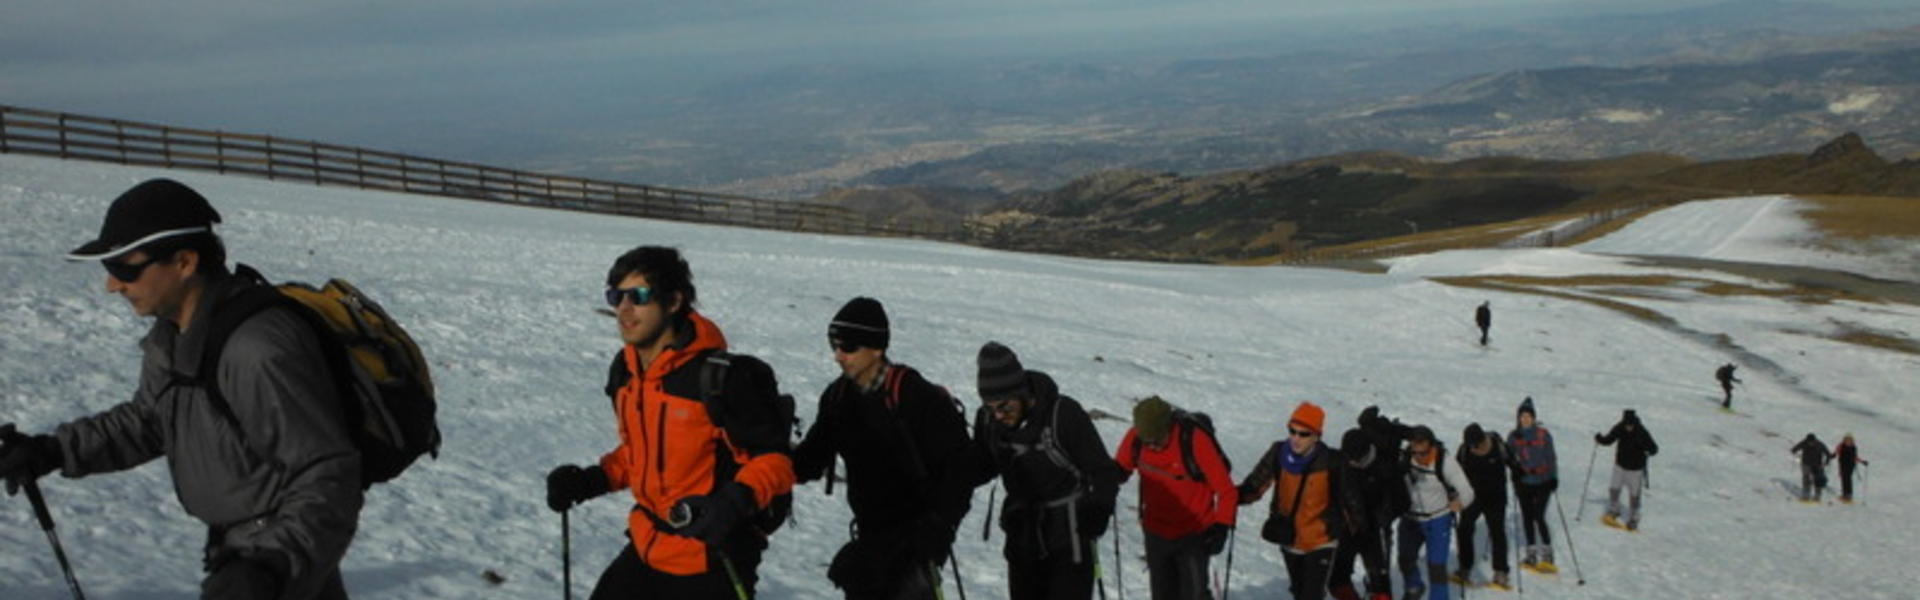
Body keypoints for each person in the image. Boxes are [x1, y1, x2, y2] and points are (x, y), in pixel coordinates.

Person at [0, 179, 361, 599]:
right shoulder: (176, 335)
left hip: (279, 572)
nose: (112, 286)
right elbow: (151, 420)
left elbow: (328, 473)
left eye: (125, 269)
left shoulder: (257, 348)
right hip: (240, 559)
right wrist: (53, 450)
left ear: (185, 262)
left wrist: (272, 567)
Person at [545, 246, 796, 599]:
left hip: (711, 558)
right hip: (647, 544)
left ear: (674, 301)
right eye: (616, 296)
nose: (624, 309)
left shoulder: (721, 378)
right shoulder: (627, 373)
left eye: (639, 296)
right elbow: (641, 454)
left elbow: (776, 461)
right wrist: (591, 480)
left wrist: (734, 501)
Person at [791, 297, 973, 599]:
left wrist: (939, 528)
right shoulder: (837, 398)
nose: (838, 355)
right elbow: (811, 459)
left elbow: (958, 471)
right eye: (833, 345)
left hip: (917, 542)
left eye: (848, 347)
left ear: (877, 347)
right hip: (869, 541)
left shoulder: (916, 396)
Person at [957, 342, 1122, 600]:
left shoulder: (1063, 414)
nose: (998, 415)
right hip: (1022, 536)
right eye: (990, 407)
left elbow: (1103, 471)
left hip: (1070, 539)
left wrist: (1097, 511)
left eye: (1005, 407)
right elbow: (983, 467)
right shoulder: (988, 420)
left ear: (1022, 394)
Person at [1115, 396, 1237, 600]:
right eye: (1147, 442)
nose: (1152, 446)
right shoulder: (1137, 438)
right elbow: (1119, 469)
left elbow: (1226, 491)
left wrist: (1221, 527)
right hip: (1155, 532)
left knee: (1194, 595)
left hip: (1193, 534)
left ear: (1169, 427)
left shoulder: (1193, 440)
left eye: (1156, 440)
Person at [1238, 402, 1357, 600]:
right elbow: (1256, 484)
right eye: (1292, 431)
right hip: (1289, 537)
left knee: (1312, 595)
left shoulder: (1332, 461)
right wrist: (1231, 498)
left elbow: (1350, 500)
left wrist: (1357, 534)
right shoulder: (1278, 452)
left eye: (1303, 434)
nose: (1295, 438)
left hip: (1321, 540)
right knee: (1300, 592)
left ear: (1317, 435)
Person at [1396, 425, 1472, 600]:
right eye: (1415, 452)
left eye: (1423, 453)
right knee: (1405, 559)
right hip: (1410, 518)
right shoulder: (1405, 458)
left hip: (1437, 519)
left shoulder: (1445, 462)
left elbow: (1467, 491)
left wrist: (1459, 503)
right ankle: (1414, 587)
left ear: (1431, 446)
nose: (1419, 457)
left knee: (1436, 567)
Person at [1328, 427, 1397, 600]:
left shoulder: (1383, 466)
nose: (1353, 463)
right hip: (1348, 527)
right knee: (1337, 581)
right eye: (1349, 458)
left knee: (1380, 582)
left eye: (1357, 459)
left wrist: (1386, 514)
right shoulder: (1339, 464)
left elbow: (1399, 500)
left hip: (1373, 529)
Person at [1452, 424, 1512, 588]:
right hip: (1472, 497)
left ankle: (1501, 571)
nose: (1474, 449)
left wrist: (1519, 476)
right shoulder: (1464, 450)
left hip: (1496, 497)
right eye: (1471, 446)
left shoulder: (1498, 446)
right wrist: (1454, 493)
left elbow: (1513, 462)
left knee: (1497, 531)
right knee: (1464, 528)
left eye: (1476, 445)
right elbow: (1455, 472)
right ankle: (1465, 567)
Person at [1506, 397, 1557, 570]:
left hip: (1543, 481)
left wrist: (1553, 477)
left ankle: (1547, 551)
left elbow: (1551, 457)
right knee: (1527, 516)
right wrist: (1514, 470)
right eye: (1523, 416)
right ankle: (1531, 552)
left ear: (1534, 417)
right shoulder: (1514, 436)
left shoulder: (1543, 434)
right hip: (1524, 482)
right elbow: (1508, 456)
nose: (1525, 419)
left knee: (1539, 516)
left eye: (1528, 416)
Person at [1594, 410, 1659, 529]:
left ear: (1634, 422)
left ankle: (1634, 516)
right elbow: (1610, 439)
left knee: (1634, 494)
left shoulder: (1641, 432)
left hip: (1635, 469)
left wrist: (1647, 450)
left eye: (1630, 425)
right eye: (1627, 424)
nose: (1628, 427)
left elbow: (1654, 449)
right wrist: (1600, 439)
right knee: (1614, 488)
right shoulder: (1620, 427)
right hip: (1620, 465)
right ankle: (1614, 509)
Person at [1789, 433, 1832, 504]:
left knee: (1817, 480)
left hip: (1817, 464)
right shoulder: (1804, 442)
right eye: (1809, 442)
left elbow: (1827, 453)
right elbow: (1797, 447)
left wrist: (1827, 461)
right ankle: (1806, 495)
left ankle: (1817, 496)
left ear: (1815, 440)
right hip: (1805, 464)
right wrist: (1794, 450)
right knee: (1806, 478)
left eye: (1812, 442)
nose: (1810, 443)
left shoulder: (1820, 444)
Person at [1834, 434, 1870, 503]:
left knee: (1848, 478)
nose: (1848, 442)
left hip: (1850, 465)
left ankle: (1848, 494)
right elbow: (1836, 452)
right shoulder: (1841, 446)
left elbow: (1855, 457)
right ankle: (1845, 494)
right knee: (1843, 478)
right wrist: (1832, 455)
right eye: (1847, 440)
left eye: (1849, 441)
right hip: (1842, 464)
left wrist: (1862, 462)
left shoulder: (1853, 447)